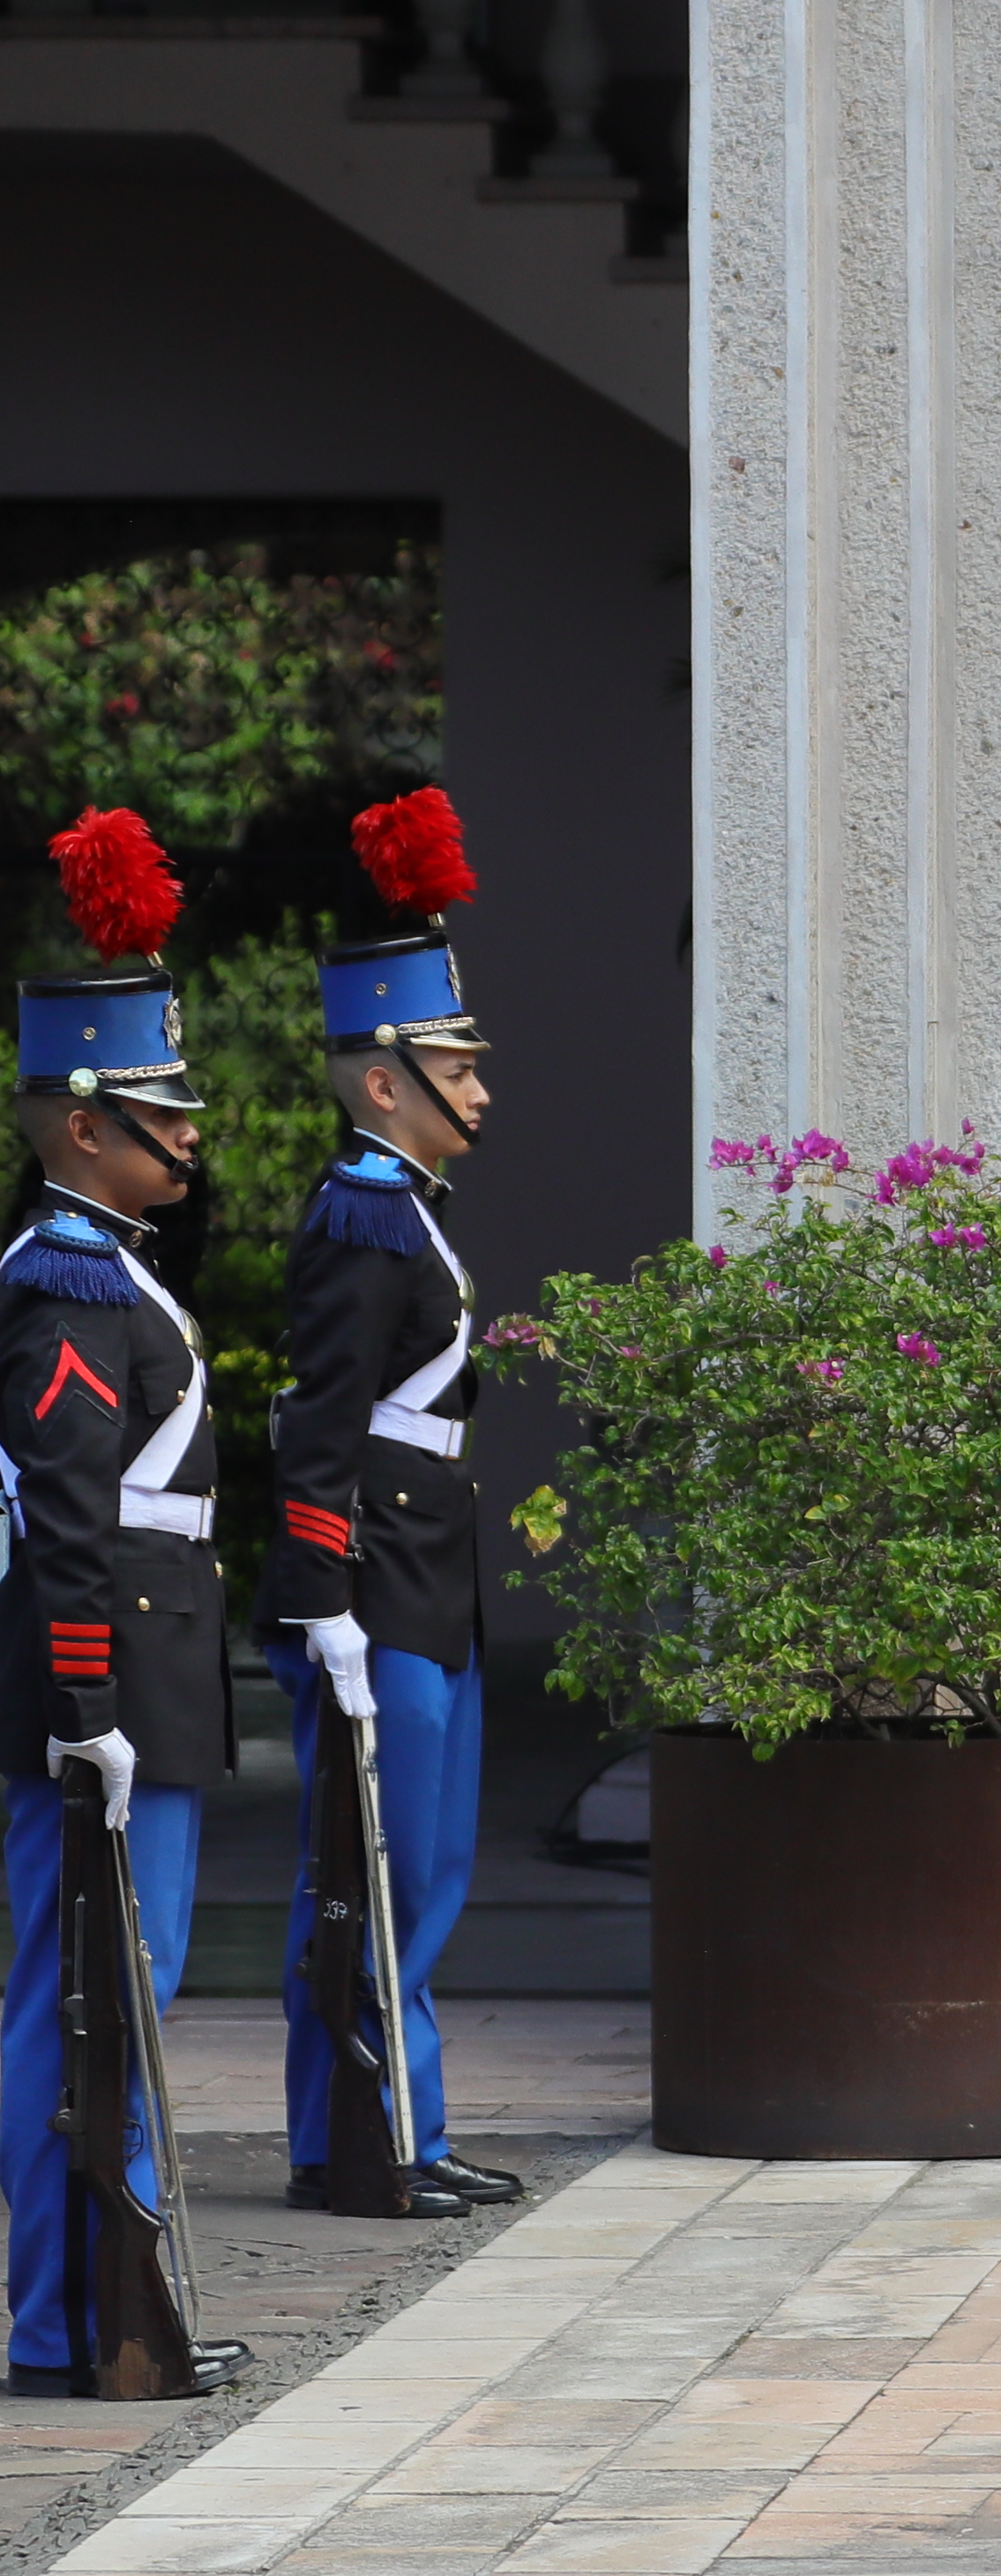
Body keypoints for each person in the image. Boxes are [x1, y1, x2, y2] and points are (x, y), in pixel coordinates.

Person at [2, 823, 247, 2399]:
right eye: (165, 1111)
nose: (191, 1134)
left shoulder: (110, 1268)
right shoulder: (71, 1281)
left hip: (139, 1684)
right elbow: (68, 1515)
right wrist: (85, 1709)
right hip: (105, 1698)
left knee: (121, 1995)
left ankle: (104, 2304)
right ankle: (64, 2318)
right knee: (74, 1997)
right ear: (86, 1127)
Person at [270, 793, 515, 2223]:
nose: (479, 1091)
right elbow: (321, 1422)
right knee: (370, 1869)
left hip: (429, 1571)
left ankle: (398, 2121)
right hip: (378, 1581)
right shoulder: (365, 1214)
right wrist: (324, 1603)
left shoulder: (408, 1207)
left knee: (420, 1867)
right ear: (384, 1080)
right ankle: (363, 2138)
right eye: (456, 1067)